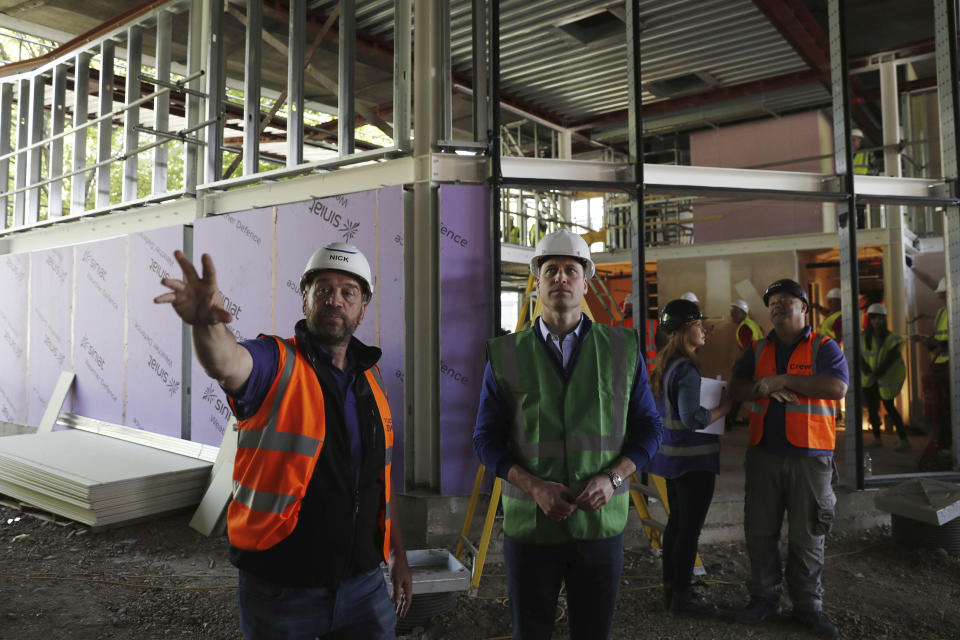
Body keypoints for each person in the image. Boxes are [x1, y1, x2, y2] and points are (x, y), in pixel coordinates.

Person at [154, 243, 412, 639]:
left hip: (363, 585)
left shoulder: (371, 380)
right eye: (323, 288)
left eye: (349, 292)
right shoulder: (276, 362)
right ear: (304, 297)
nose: (335, 300)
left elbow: (379, 479)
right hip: (281, 589)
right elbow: (228, 363)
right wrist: (206, 324)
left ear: (363, 307)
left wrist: (396, 554)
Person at [472, 229, 663, 640]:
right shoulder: (505, 354)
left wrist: (613, 478)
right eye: (551, 270)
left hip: (599, 525)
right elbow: (485, 440)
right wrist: (534, 486)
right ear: (537, 282)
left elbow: (650, 428)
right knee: (532, 632)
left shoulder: (622, 348)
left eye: (570, 270)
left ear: (586, 280)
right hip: (531, 527)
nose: (561, 278)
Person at [729, 278, 847, 639]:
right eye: (773, 302)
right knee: (760, 532)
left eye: (786, 300)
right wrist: (760, 388)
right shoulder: (759, 348)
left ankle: (807, 607)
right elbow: (736, 387)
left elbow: (837, 387)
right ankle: (764, 598)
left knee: (807, 535)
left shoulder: (823, 347)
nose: (778, 306)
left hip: (810, 459)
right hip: (764, 454)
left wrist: (782, 380)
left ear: (804, 309)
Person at [647, 298, 731, 616]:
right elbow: (692, 417)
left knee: (676, 526)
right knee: (688, 530)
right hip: (694, 463)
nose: (705, 332)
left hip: (673, 459)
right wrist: (724, 408)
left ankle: (672, 590)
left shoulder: (667, 364)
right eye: (699, 326)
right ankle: (683, 598)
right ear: (685, 331)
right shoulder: (688, 369)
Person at [861, 303, 909, 451]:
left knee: (889, 407)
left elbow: (890, 359)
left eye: (880, 319)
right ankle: (877, 438)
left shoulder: (892, 339)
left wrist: (876, 374)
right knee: (873, 409)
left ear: (884, 320)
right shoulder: (862, 337)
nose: (876, 322)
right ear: (869, 320)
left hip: (884, 379)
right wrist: (868, 372)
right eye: (873, 318)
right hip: (869, 379)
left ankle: (903, 439)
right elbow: (860, 357)